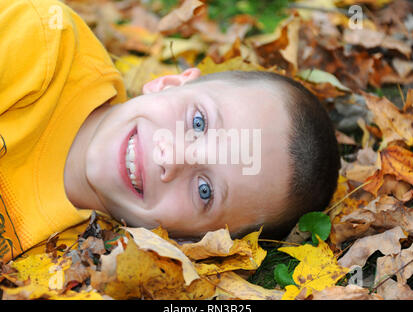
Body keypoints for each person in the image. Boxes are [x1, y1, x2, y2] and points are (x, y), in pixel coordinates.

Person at [0, 0, 340, 263]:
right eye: (198, 122)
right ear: (169, 83)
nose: (173, 157)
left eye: (205, 190)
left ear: (188, 242)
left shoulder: (73, 267)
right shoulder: (37, 44)